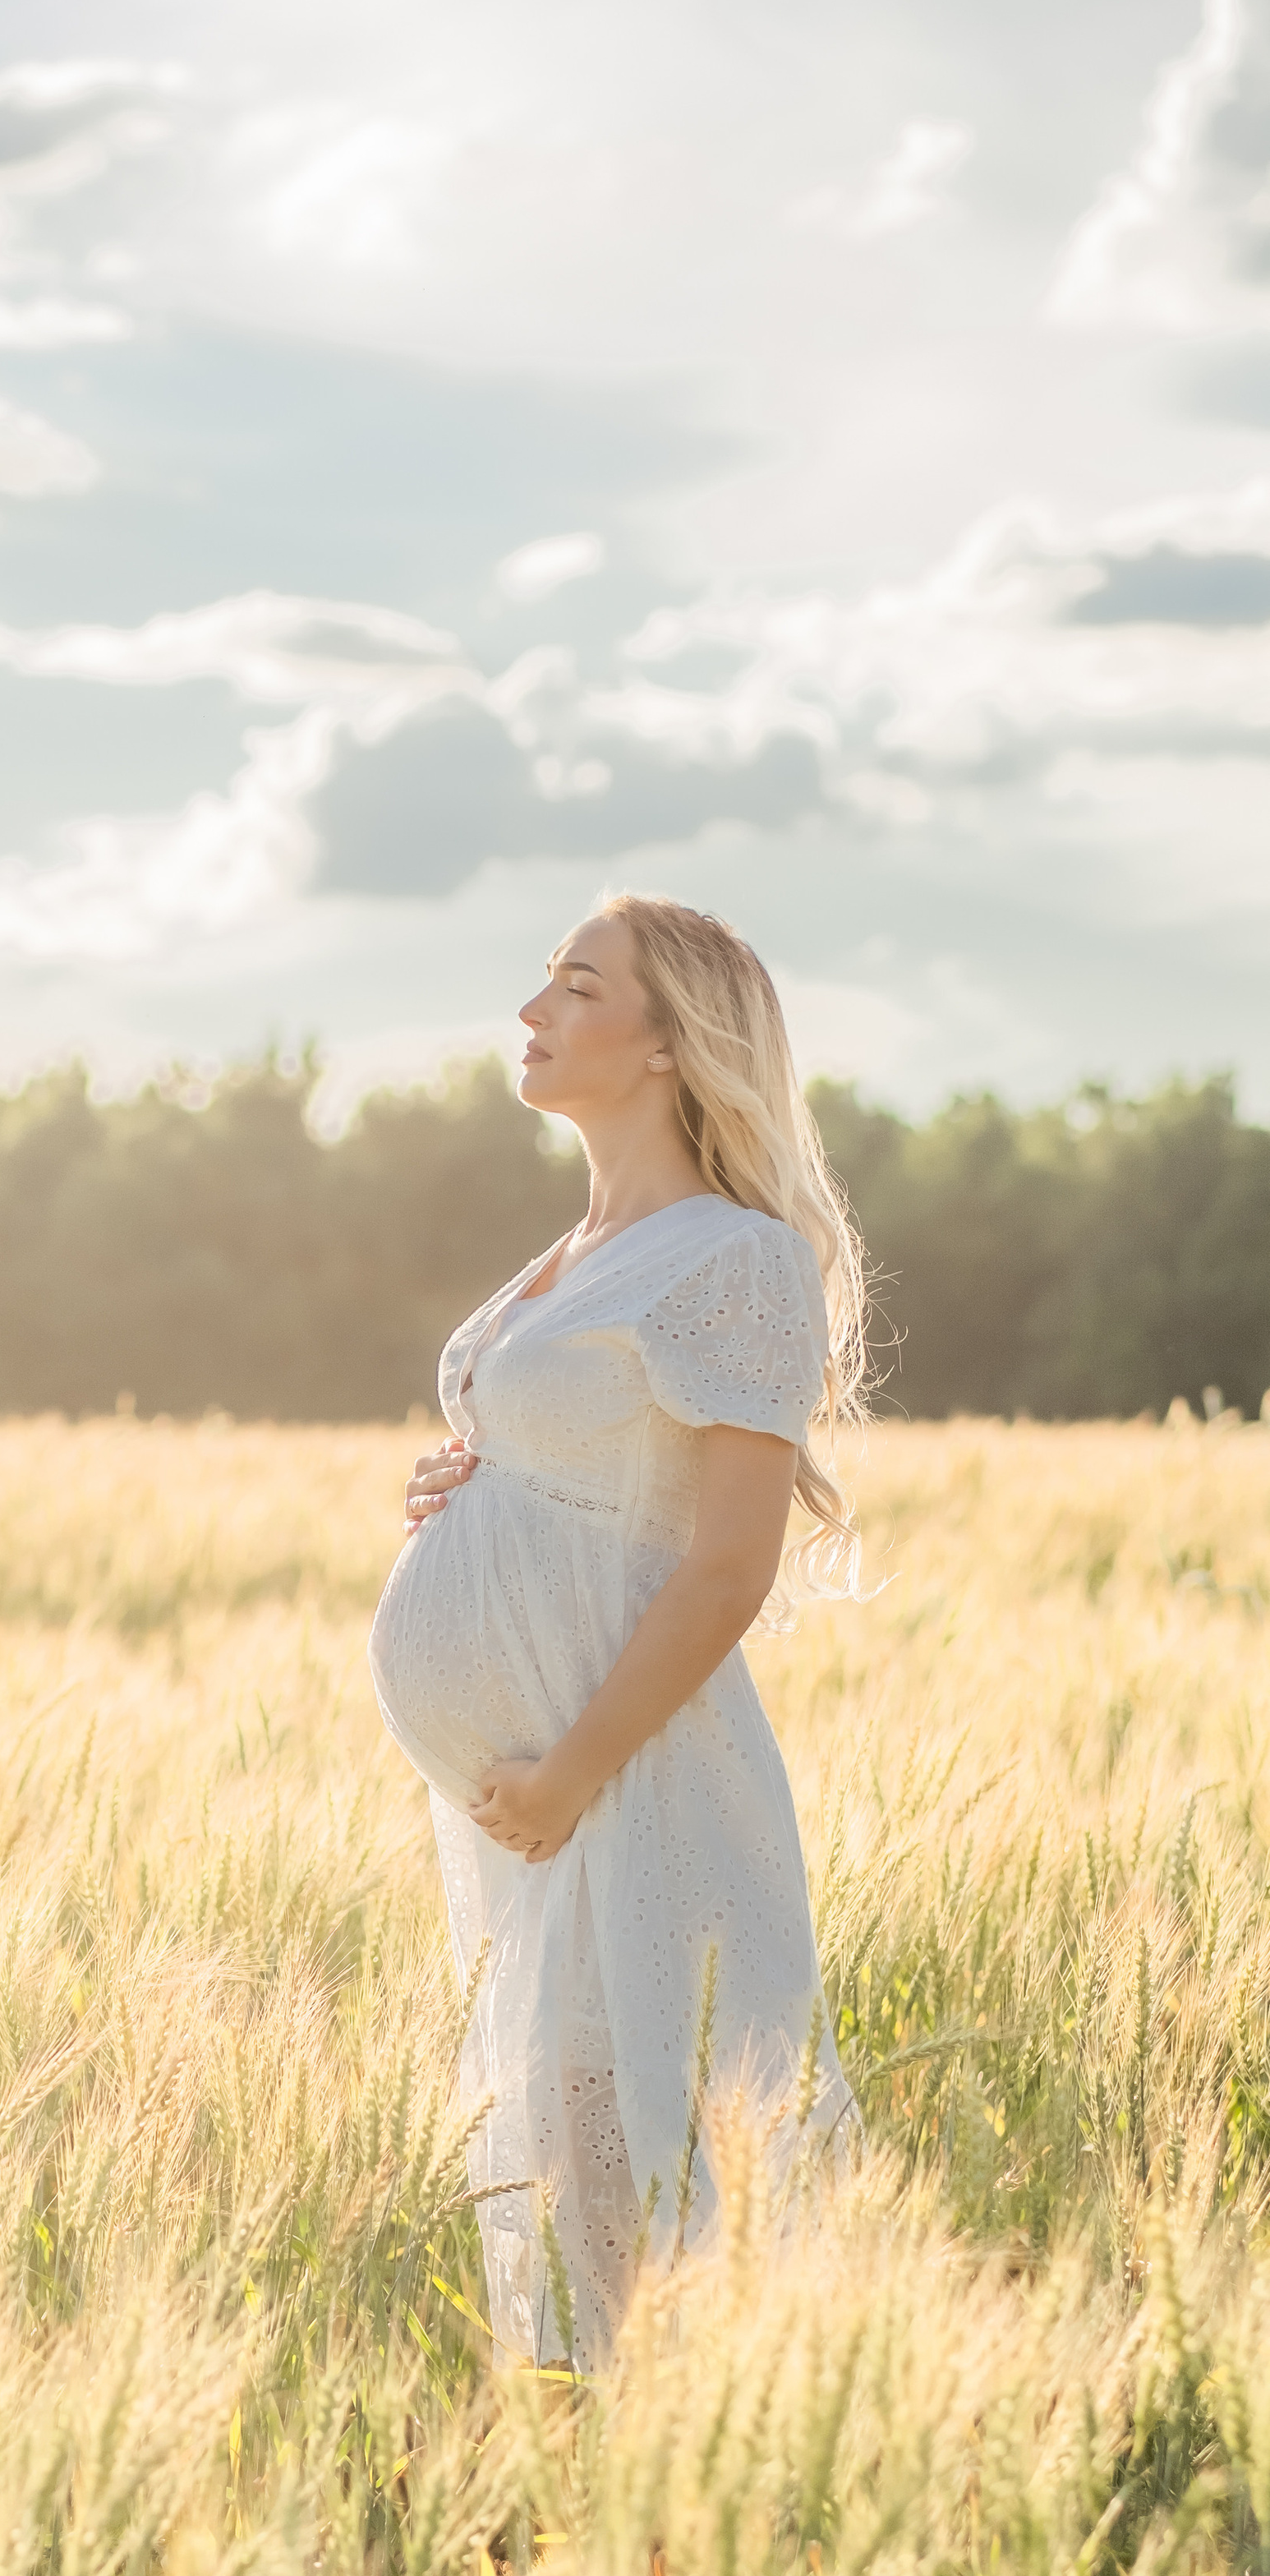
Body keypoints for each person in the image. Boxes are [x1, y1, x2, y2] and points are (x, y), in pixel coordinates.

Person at [367, 892, 867, 2370]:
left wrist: (574, 1771)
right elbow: (578, 1466)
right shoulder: (575, 1250)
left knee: (679, 2160)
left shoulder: (735, 1258)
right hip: (536, 1806)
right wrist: (462, 1487)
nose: (532, 1013)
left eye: (578, 987)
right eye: (543, 983)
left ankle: (722, 2459)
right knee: (578, 2160)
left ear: (669, 1041)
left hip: (629, 1778)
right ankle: (617, 2461)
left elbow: (728, 1565)